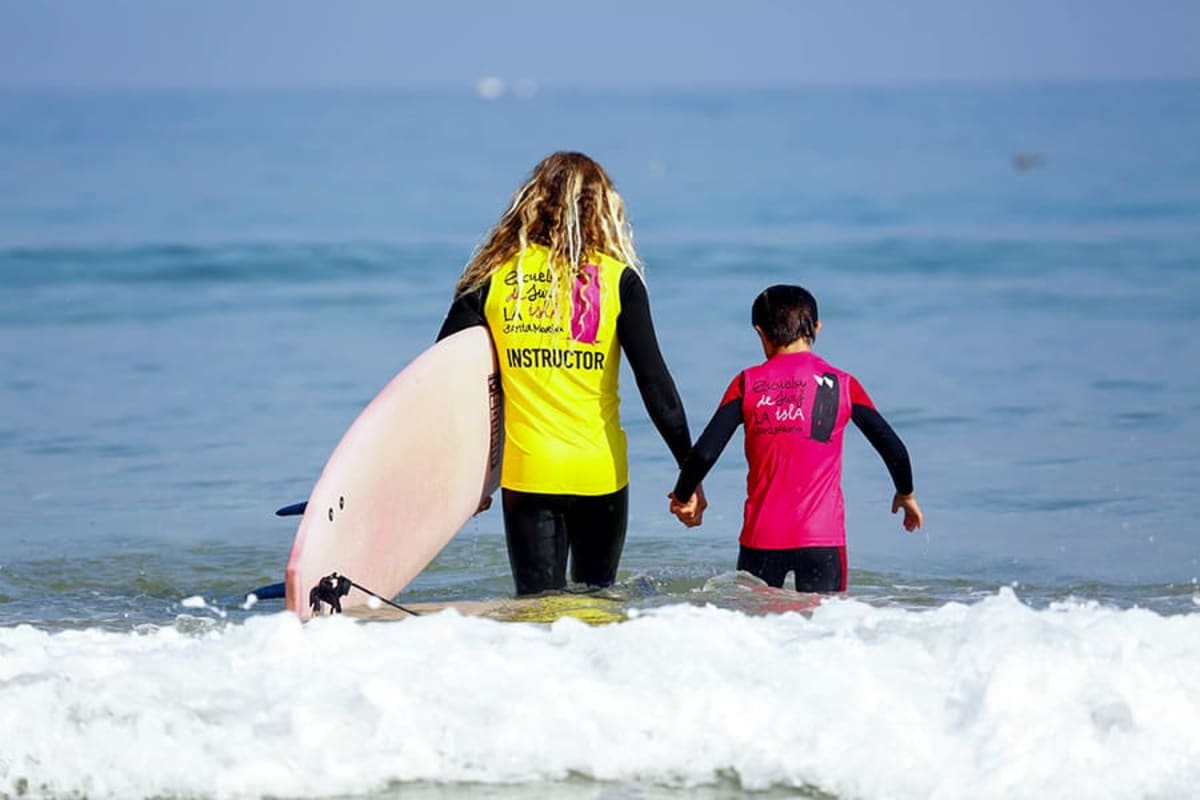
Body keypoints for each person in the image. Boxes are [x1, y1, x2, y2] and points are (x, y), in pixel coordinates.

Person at [437, 151, 700, 596]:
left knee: (536, 610)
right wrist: (689, 477)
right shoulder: (619, 280)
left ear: (531, 203)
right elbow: (656, 386)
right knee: (598, 604)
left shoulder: (492, 278)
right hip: (600, 473)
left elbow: (447, 378)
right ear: (603, 210)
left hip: (529, 473)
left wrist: (467, 476)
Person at [668, 284, 922, 593]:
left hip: (761, 538)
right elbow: (893, 448)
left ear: (760, 333)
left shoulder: (747, 383)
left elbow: (705, 453)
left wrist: (683, 495)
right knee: (824, 621)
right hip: (822, 539)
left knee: (756, 622)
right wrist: (905, 494)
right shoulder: (840, 384)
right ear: (817, 328)